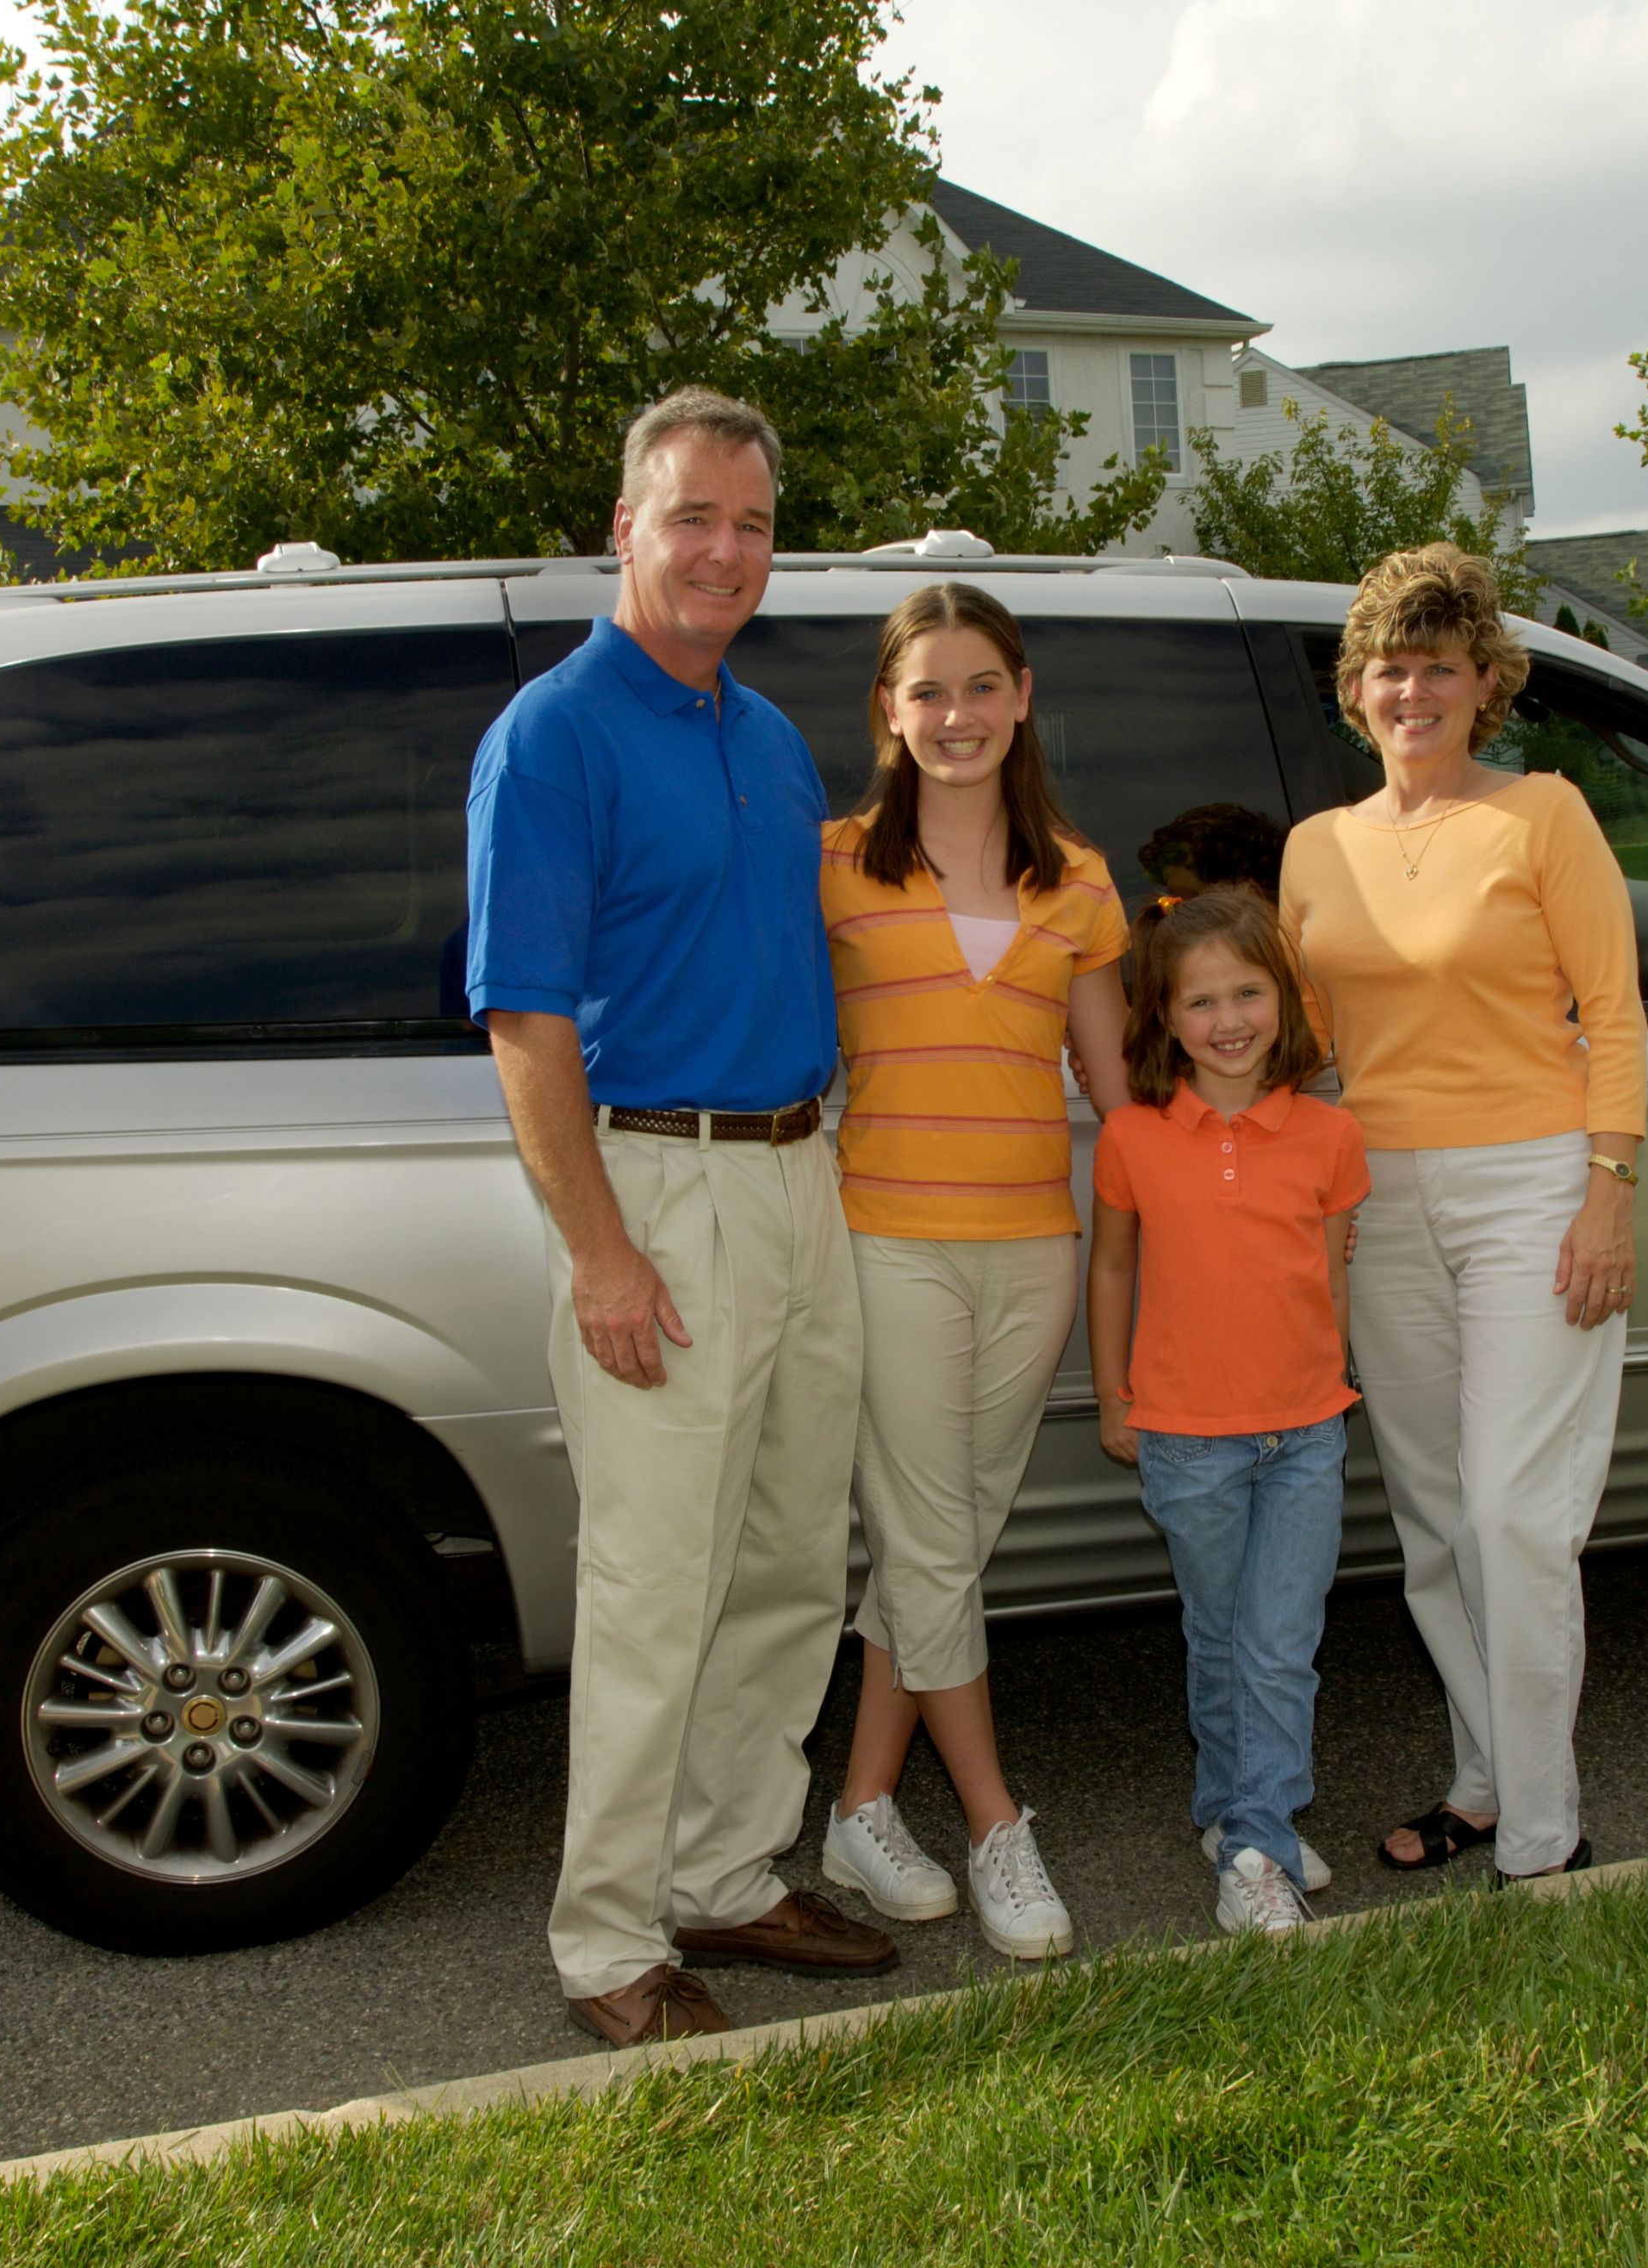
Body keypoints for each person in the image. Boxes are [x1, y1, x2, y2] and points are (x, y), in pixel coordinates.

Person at [465, 387, 895, 2049]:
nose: (725, 549)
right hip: (656, 1185)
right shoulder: (555, 735)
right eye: (691, 516)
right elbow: (525, 1024)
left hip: (801, 1175)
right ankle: (608, 1943)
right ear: (623, 530)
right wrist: (599, 1250)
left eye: (753, 521)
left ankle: (727, 1866)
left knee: (791, 1557)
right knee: (657, 1584)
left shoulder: (765, 736)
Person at [1277, 541, 1645, 1887]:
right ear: (1355, 692)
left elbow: (1612, 1013)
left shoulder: (1542, 815)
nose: (1410, 691)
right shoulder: (1317, 848)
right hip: (1381, 1192)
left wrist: (1609, 1192)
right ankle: (1484, 1782)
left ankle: (1546, 1836)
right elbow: (1306, 1045)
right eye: (1387, 668)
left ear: (1485, 683)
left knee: (1512, 1515)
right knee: (1434, 1520)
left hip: (1534, 1188)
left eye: (1437, 666)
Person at [814, 583, 1134, 1961]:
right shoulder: (827, 863)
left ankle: (864, 1807)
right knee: (936, 1538)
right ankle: (1000, 1823)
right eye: (928, 691)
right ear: (889, 710)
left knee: (944, 1540)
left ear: (1022, 697)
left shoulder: (1080, 880)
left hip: (1033, 1248)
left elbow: (1116, 1094)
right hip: (886, 1238)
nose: (958, 716)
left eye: (982, 687)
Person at [1085, 887, 1369, 1939]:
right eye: (1200, 1000)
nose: (1229, 1019)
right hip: (1186, 1438)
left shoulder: (1330, 1134)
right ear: (1163, 1017)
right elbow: (1113, 1269)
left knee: (1279, 1643)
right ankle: (1229, 1810)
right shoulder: (1133, 1136)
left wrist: (1337, 1383)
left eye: (1249, 992)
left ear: (1285, 1002)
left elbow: (1332, 1279)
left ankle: (1256, 1844)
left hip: (1304, 1433)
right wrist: (1118, 1396)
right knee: (1219, 1635)